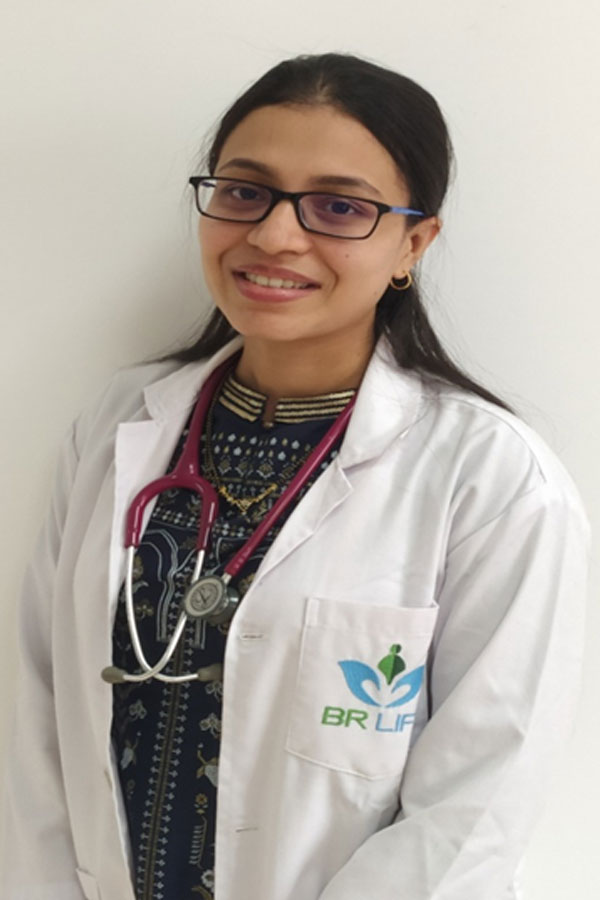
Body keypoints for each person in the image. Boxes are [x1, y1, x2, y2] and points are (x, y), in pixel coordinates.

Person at [1, 52, 589, 900]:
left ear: (412, 243)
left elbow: (476, 808)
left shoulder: (492, 479)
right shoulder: (116, 424)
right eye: (246, 192)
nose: (275, 235)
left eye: (339, 207)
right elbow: (40, 721)